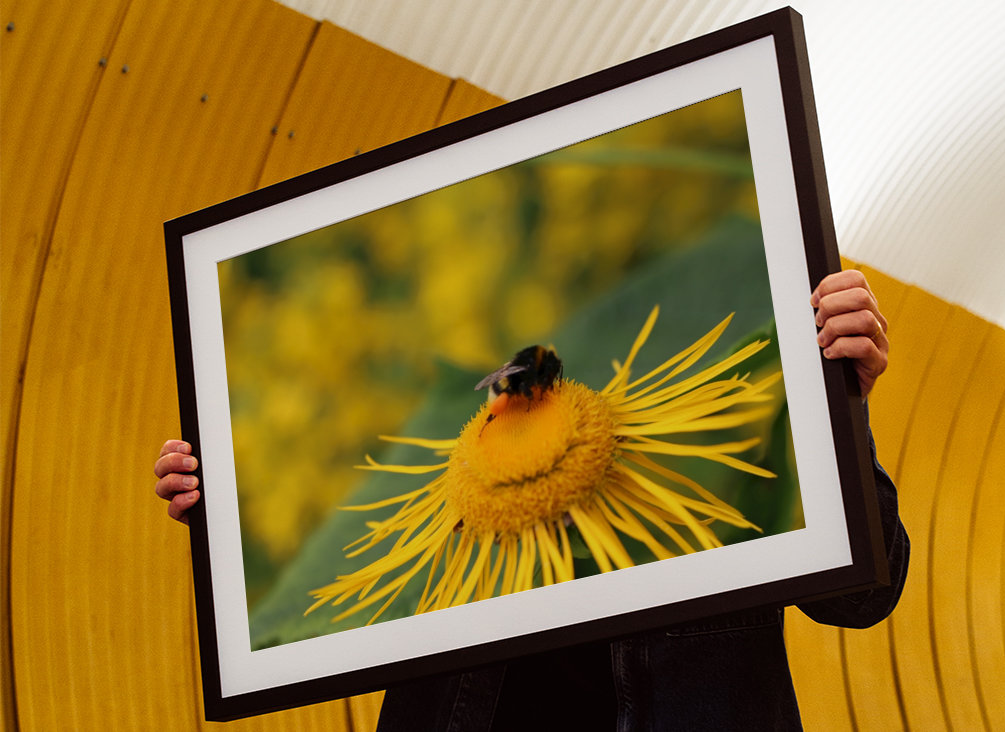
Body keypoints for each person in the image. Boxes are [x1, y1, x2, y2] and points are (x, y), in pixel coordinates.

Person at [155, 270, 908, 730]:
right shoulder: (436, 464)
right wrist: (232, 503)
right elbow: (335, 555)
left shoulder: (728, 429)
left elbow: (865, 595)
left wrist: (836, 403)